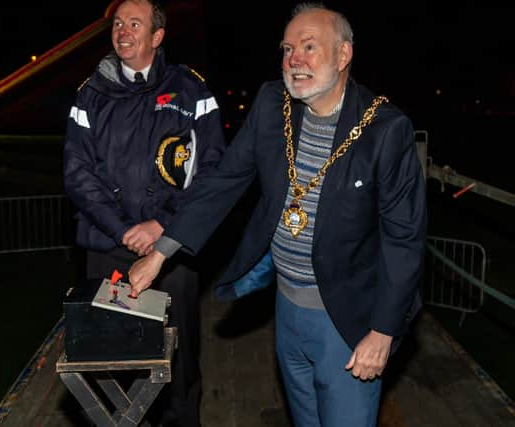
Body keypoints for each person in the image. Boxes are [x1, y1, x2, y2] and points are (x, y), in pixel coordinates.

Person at [129, 3, 426, 427]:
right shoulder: (273, 103)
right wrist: (159, 254)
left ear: (343, 56)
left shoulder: (385, 130)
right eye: (287, 49)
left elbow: (404, 241)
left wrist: (382, 332)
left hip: (349, 319)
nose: (295, 60)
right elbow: (223, 182)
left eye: (309, 47)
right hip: (287, 309)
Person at [62, 0, 226, 425]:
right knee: (110, 357)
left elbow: (210, 171)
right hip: (107, 247)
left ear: (157, 37)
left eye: (135, 23)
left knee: (180, 357)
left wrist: (162, 225)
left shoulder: (191, 89)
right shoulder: (90, 93)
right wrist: (122, 230)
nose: (123, 31)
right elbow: (76, 173)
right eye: (118, 23)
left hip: (171, 249)